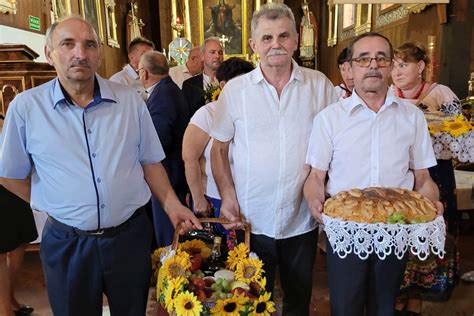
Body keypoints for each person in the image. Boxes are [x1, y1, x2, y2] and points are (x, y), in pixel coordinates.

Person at [0, 17, 200, 316]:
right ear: (49, 52)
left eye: (89, 44)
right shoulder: (27, 108)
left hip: (129, 238)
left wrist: (172, 204)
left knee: (132, 311)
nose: (79, 53)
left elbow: (150, 161)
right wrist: (57, 202)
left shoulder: (129, 101)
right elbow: (11, 175)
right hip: (68, 243)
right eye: (68, 44)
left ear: (99, 53)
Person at [304, 32, 443, 316]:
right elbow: (316, 177)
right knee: (346, 306)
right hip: (347, 228)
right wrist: (314, 202)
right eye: (364, 59)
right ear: (351, 67)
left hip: (395, 230)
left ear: (391, 66)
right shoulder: (329, 118)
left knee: (385, 306)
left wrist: (431, 205)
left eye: (381, 58)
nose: (373, 65)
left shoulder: (411, 116)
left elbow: (424, 178)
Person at [210, 4, 337, 315]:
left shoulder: (319, 85)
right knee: (250, 300)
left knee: (298, 297)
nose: (276, 44)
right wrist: (227, 196)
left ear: (296, 39)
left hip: (301, 217)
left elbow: (336, 143)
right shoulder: (236, 91)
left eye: (283, 36)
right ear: (254, 45)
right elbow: (219, 150)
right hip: (251, 217)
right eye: (266, 38)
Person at [391, 42, 461, 314]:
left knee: (430, 224)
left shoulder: (440, 93)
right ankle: (399, 292)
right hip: (400, 172)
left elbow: (460, 133)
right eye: (394, 65)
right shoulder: (386, 95)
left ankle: (421, 294)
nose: (397, 71)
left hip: (435, 171)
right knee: (401, 228)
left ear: (420, 66)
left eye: (404, 64)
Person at [182, 57, 253, 229]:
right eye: (239, 84)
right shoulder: (207, 114)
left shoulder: (255, 113)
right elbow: (190, 159)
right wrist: (198, 199)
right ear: (223, 85)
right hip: (215, 197)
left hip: (250, 199)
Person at [139, 51, 190, 247]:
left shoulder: (162, 95)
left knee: (168, 235)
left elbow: (157, 143)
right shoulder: (169, 89)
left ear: (143, 73)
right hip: (173, 171)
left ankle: (170, 270)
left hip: (167, 173)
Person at [0, 185, 37, 316]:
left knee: (20, 243)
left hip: (14, 184)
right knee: (1, 253)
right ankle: (4, 310)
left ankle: (9, 297)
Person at [182, 37, 223, 118]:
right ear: (202, 56)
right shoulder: (189, 85)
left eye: (220, 52)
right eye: (212, 52)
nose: (217, 56)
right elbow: (185, 116)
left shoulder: (230, 81)